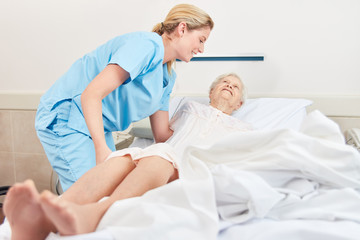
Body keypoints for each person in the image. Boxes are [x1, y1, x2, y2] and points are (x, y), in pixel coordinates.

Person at [4, 73, 251, 239]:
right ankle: (51, 211)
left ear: (239, 104)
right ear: (210, 93)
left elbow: (245, 161)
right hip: (160, 157)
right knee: (124, 156)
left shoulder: (245, 131)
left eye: (235, 86)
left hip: (193, 169)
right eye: (223, 82)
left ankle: (95, 215)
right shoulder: (189, 108)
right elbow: (162, 132)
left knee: (159, 155)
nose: (228, 85)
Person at [34, 4, 214, 191]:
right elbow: (91, 95)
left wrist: (201, 134)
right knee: (91, 194)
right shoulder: (145, 46)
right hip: (66, 117)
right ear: (182, 28)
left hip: (94, 125)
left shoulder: (167, 78)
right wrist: (101, 149)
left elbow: (162, 135)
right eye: (201, 40)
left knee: (110, 193)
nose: (201, 49)